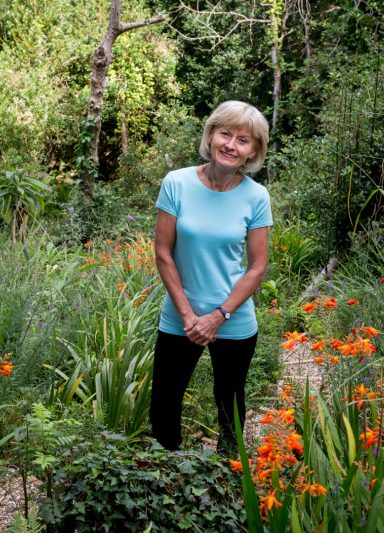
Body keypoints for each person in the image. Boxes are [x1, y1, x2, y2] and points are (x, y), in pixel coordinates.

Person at [150, 100, 272, 455]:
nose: (231, 145)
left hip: (232, 321)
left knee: (229, 406)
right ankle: (166, 480)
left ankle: (229, 480)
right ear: (211, 135)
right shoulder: (177, 183)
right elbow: (163, 254)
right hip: (179, 319)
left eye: (243, 140)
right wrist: (190, 317)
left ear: (253, 151)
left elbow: (256, 267)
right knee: (164, 406)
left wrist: (219, 316)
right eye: (226, 134)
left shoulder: (256, 196)